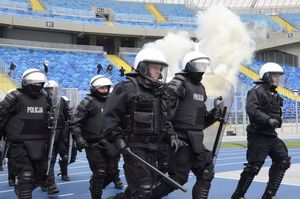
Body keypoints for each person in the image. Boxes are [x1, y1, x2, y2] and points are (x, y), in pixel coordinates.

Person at [102, 48, 184, 199]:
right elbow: (109, 119)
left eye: (160, 69)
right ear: (143, 67)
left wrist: (171, 136)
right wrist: (118, 140)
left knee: (143, 190)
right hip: (134, 149)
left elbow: (164, 121)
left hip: (154, 149)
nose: (158, 72)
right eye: (155, 68)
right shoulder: (125, 88)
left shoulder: (159, 93)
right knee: (143, 190)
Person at [151, 51, 222, 199]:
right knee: (177, 179)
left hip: (196, 140)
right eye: (199, 65)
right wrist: (171, 136)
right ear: (189, 66)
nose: (202, 69)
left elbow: (197, 122)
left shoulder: (201, 88)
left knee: (206, 172)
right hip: (180, 140)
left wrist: (212, 116)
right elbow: (163, 115)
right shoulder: (178, 84)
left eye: (205, 66)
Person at [231, 62, 291, 199]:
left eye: (279, 76)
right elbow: (252, 110)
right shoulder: (256, 90)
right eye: (275, 76)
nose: (278, 79)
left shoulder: (274, 94)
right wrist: (267, 120)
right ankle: (238, 196)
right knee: (254, 167)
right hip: (258, 135)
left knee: (283, 160)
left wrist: (275, 121)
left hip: (271, 135)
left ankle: (269, 195)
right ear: (267, 76)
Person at [70, 75, 123, 199]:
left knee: (112, 173)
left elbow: (120, 120)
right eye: (101, 88)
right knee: (99, 172)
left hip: (111, 142)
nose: (105, 90)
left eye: (107, 88)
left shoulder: (113, 102)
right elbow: (75, 122)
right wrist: (78, 138)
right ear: (94, 88)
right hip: (93, 144)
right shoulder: (87, 103)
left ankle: (94, 185)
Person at [0, 68, 51, 199]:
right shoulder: (14, 97)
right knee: (26, 175)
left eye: (40, 83)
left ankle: (21, 189)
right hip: (19, 144)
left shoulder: (46, 98)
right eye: (34, 83)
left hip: (40, 143)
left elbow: (53, 119)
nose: (38, 86)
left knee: (40, 177)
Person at [42, 80, 71, 196]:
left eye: (53, 90)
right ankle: (49, 184)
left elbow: (67, 116)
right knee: (50, 158)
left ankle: (64, 173)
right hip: (47, 133)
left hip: (61, 132)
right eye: (49, 90)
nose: (51, 92)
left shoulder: (62, 101)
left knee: (64, 155)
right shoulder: (42, 100)